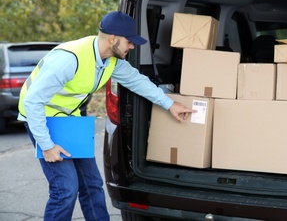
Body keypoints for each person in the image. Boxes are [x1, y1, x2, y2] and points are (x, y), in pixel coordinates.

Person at [17, 11, 194, 221]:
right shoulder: (69, 58)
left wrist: (170, 104)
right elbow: (32, 102)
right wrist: (46, 145)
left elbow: (137, 81)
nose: (132, 47)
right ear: (112, 39)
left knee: (92, 184)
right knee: (65, 189)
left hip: (69, 119)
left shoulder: (110, 60)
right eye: (129, 42)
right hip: (41, 118)